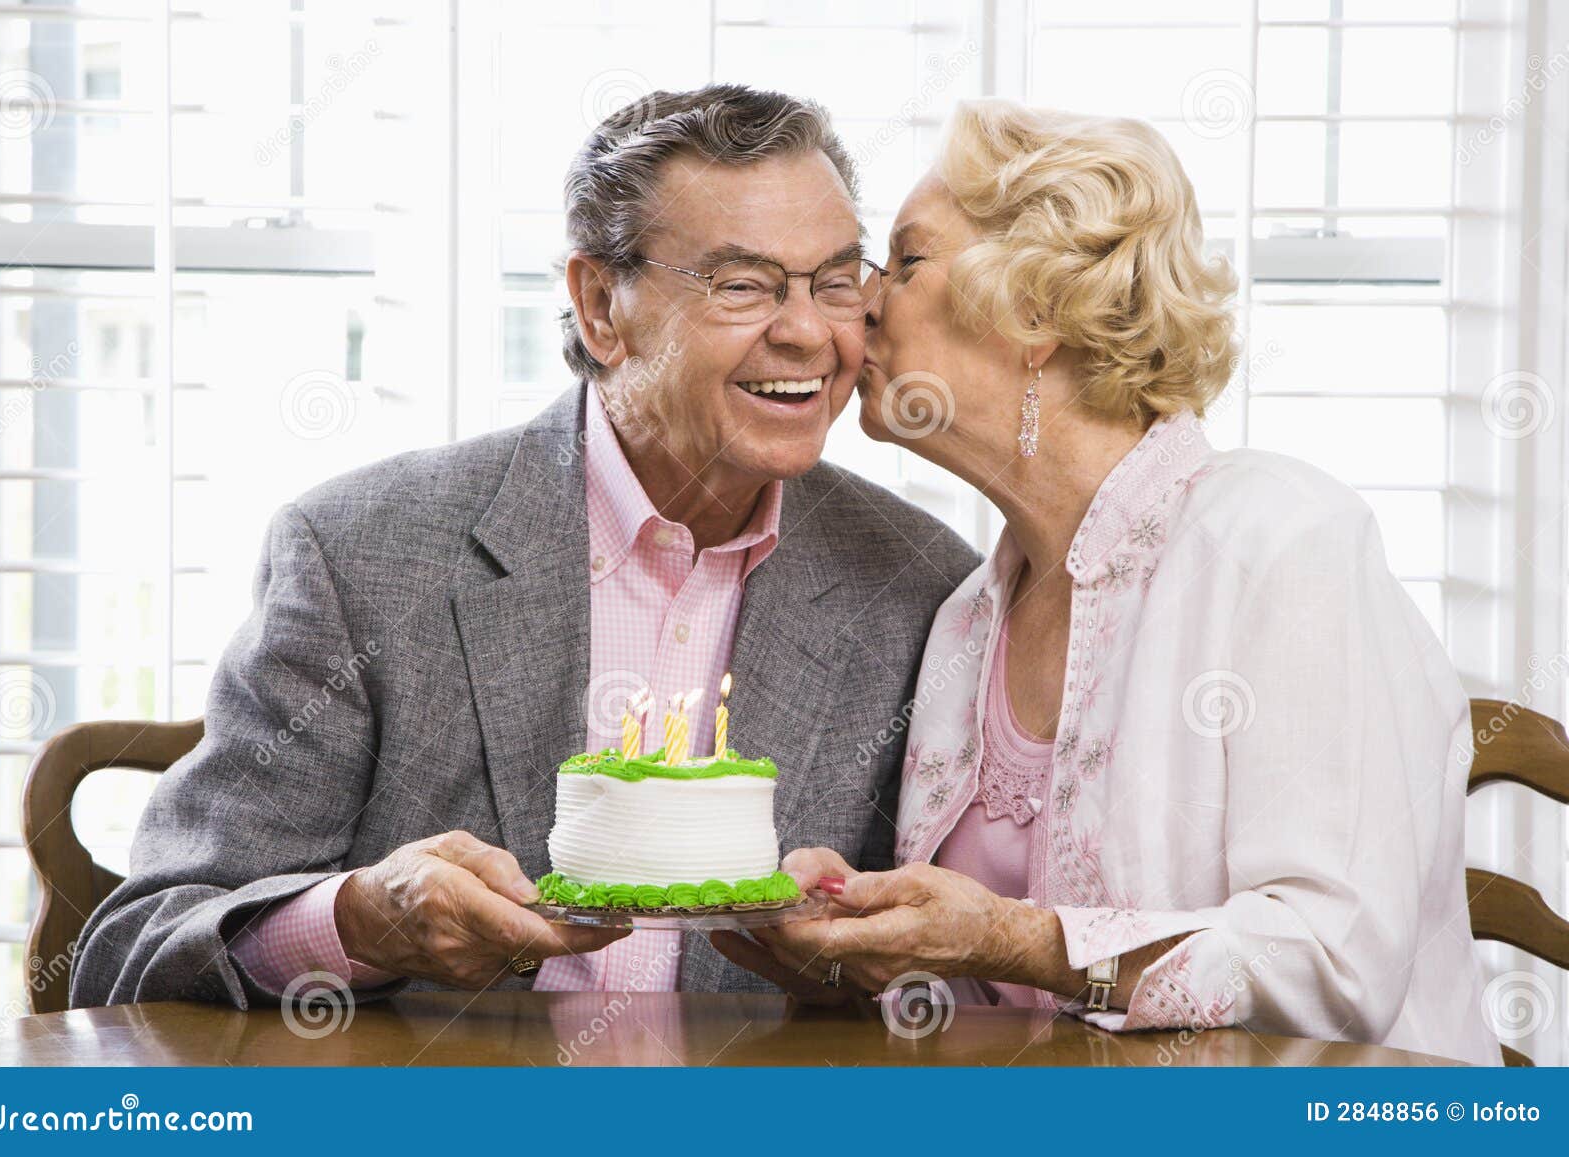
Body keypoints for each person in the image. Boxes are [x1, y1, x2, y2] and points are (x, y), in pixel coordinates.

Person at [71, 85, 978, 1009]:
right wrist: (357, 921)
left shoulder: (921, 584)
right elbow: (138, 947)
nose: (807, 333)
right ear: (600, 307)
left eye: (833, 282)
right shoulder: (361, 555)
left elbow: (956, 988)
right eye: (742, 284)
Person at [726, 100, 1501, 1066]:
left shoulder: (1283, 542)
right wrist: (863, 948)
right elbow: (985, 1000)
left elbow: (1336, 968)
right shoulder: (969, 615)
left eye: (910, 261)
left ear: (1039, 309)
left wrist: (1015, 936)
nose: (865, 303)